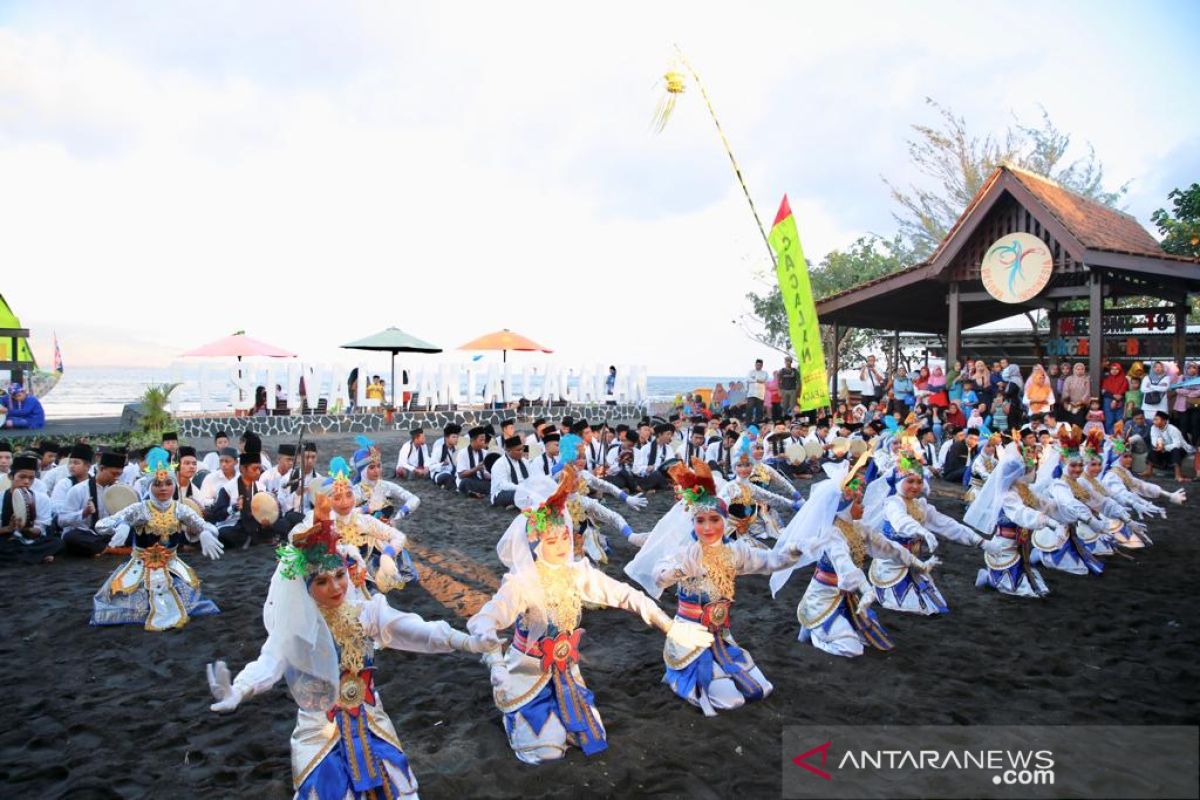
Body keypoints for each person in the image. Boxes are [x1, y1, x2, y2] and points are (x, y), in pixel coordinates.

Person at [208, 497, 499, 797]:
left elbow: (415, 629)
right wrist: (239, 690)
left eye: (338, 576)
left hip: (371, 719)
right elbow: (268, 663)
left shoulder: (365, 612)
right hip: (319, 730)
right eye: (321, 582)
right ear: (305, 587)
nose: (335, 588)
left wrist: (468, 641)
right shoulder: (297, 629)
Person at [469, 468, 713, 763]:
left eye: (564, 537)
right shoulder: (521, 583)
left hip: (567, 672)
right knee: (547, 751)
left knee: (587, 734)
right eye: (551, 540)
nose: (561, 547)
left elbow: (627, 595)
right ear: (535, 542)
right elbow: (484, 620)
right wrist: (494, 660)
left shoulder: (577, 573)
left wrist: (670, 626)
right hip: (527, 672)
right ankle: (518, 716)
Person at [624, 460, 801, 715]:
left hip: (722, 634)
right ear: (693, 523)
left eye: (714, 520)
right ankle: (678, 675)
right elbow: (660, 576)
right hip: (690, 635)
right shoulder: (685, 552)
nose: (708, 528)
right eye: (701, 520)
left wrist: (793, 552)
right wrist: (680, 570)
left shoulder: (734, 551)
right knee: (730, 700)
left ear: (723, 520)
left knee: (761, 688)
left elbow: (769, 561)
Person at [772, 463, 933, 657]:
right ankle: (814, 635)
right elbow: (845, 567)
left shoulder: (858, 527)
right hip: (822, 599)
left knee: (867, 638)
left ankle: (818, 628)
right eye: (857, 502)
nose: (863, 506)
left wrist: (917, 563)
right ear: (845, 506)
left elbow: (888, 547)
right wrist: (866, 588)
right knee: (852, 648)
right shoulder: (831, 535)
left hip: (848, 598)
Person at [91, 449, 224, 629]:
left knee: (189, 601)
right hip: (140, 568)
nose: (163, 488)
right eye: (157, 484)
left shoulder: (180, 509)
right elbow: (100, 526)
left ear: (174, 485)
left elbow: (206, 526)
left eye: (168, 483)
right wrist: (122, 523)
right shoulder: (139, 509)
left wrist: (204, 532)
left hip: (171, 567)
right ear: (149, 486)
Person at [965, 441, 1061, 598]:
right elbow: (1021, 513)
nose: (1033, 472)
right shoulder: (1008, 495)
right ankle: (987, 578)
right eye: (1029, 469)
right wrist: (1049, 522)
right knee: (1019, 589)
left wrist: (1058, 507)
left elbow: (1041, 503)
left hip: (1020, 543)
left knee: (1033, 585)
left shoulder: (1023, 489)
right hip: (1005, 543)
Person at [0, 452, 60, 563]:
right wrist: (8, 528)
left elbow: (40, 530)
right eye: (22, 477)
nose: (27, 481)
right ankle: (36, 557)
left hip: (30, 541)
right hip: (5, 540)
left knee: (57, 542)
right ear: (11, 476)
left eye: (31, 478)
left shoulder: (42, 499)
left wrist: (25, 528)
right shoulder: (1, 497)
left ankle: (23, 557)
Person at [1147, 411, 1192, 482]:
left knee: (1175, 450)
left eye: (1156, 419)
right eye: (1154, 419)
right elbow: (1154, 440)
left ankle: (1178, 475)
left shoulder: (1172, 429)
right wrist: (1158, 446)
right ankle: (1149, 471)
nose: (1154, 421)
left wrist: (1164, 447)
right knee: (1152, 450)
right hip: (1163, 449)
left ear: (1164, 421)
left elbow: (1178, 444)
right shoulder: (1153, 428)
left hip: (1181, 450)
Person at [491, 436, 531, 508]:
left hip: (523, 490)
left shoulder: (524, 461)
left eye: (522, 449)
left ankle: (516, 505)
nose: (521, 452)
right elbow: (503, 485)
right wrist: (521, 488)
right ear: (508, 450)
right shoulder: (499, 464)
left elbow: (531, 478)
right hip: (502, 494)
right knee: (522, 494)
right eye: (518, 450)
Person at [456, 427, 493, 497]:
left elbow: (485, 474)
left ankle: (476, 493)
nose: (483, 442)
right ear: (473, 440)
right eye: (481, 440)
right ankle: (476, 493)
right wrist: (476, 469)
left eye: (484, 440)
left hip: (481, 482)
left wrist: (493, 476)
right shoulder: (462, 453)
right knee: (465, 482)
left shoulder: (485, 453)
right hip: (469, 481)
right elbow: (461, 475)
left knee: (493, 483)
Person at [428, 423, 462, 488]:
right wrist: (442, 464)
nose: (456, 439)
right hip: (440, 473)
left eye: (457, 437)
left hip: (453, 472)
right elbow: (431, 467)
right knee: (446, 477)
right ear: (446, 438)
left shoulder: (457, 449)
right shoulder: (439, 449)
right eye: (454, 437)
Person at [1101, 362, 1129, 434]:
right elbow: (1104, 391)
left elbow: (1124, 391)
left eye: (1117, 369)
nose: (1114, 371)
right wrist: (1114, 397)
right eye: (1112, 369)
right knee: (1109, 420)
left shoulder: (1124, 379)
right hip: (1108, 401)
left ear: (1120, 370)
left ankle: (1118, 439)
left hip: (1120, 401)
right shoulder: (1107, 379)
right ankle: (1109, 438)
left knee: (1119, 420)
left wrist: (1115, 400)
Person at [745, 359, 768, 424]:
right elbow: (748, 379)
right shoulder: (751, 372)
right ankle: (748, 422)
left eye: (760, 365)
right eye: (757, 364)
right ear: (755, 364)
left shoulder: (765, 373)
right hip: (751, 394)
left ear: (762, 365)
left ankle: (758, 423)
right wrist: (757, 380)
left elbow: (764, 380)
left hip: (760, 394)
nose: (758, 366)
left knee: (759, 410)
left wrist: (754, 379)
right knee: (749, 408)